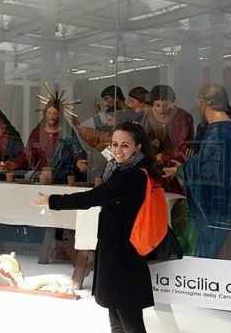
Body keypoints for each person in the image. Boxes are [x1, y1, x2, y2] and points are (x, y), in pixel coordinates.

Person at [34, 122, 160, 332]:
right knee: (116, 314)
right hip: (116, 251)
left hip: (124, 255)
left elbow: (92, 197)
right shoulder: (123, 170)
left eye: (125, 145)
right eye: (114, 144)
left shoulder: (132, 176)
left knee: (128, 318)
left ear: (137, 147)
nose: (118, 150)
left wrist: (53, 201)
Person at [163, 83, 231, 258]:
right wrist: (192, 163)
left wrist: (181, 171)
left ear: (203, 103)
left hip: (217, 208)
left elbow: (210, 173)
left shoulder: (217, 133)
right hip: (229, 203)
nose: (198, 106)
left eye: (198, 102)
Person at [18, 100, 87, 183]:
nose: (51, 116)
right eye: (49, 112)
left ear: (60, 115)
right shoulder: (37, 133)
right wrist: (15, 164)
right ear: (45, 113)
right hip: (40, 177)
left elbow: (77, 150)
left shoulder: (67, 133)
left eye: (55, 113)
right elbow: (27, 154)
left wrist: (78, 160)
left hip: (61, 178)